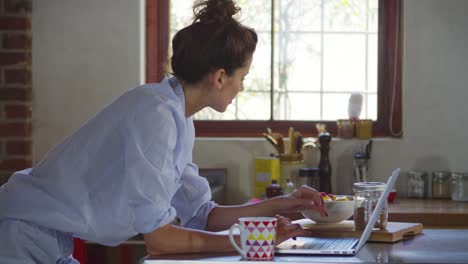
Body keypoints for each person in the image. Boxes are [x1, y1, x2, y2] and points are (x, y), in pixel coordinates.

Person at [0, 0, 327, 263]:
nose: (242, 86)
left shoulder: (178, 116)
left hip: (48, 241)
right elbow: (160, 242)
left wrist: (283, 204)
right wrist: (247, 242)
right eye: (242, 76)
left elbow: (203, 215)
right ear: (219, 77)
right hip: (19, 237)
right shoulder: (155, 115)